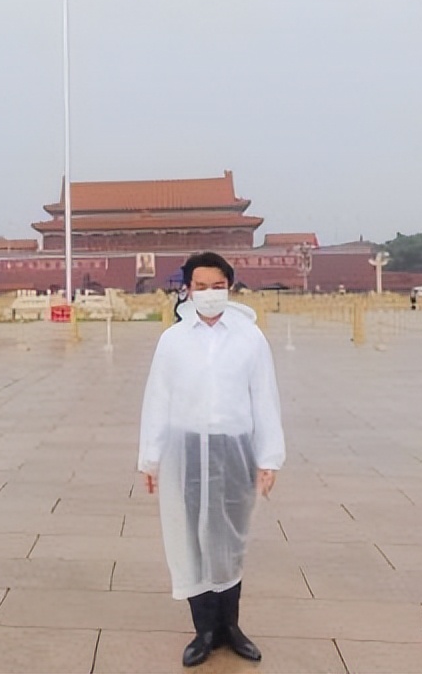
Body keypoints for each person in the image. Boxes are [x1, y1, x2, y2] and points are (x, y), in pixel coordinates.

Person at [138, 251, 286, 667]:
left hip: (233, 449)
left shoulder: (249, 338)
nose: (208, 294)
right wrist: (151, 459)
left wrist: (269, 457)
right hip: (185, 451)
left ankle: (230, 627)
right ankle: (203, 630)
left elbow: (265, 399)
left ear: (230, 288)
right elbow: (158, 400)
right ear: (186, 290)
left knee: (230, 539)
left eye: (217, 286)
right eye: (200, 286)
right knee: (193, 539)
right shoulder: (173, 340)